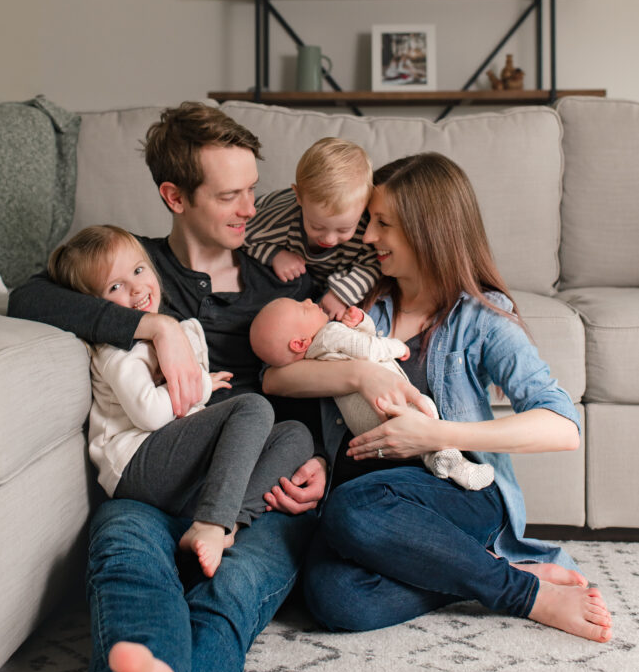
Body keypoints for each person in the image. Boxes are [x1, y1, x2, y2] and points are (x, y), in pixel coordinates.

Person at [9, 102, 328, 672]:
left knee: (232, 593)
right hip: (155, 474)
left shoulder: (285, 279)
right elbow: (28, 295)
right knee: (125, 558)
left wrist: (322, 463)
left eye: (253, 187)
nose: (251, 208)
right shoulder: (134, 268)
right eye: (228, 195)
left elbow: (321, 375)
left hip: (252, 490)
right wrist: (151, 324)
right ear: (174, 197)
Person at [262, 153, 614, 645]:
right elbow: (277, 379)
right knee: (332, 597)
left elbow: (562, 427)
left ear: (427, 231)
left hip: (459, 490)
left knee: (353, 507)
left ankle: (523, 594)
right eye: (370, 222)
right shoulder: (359, 304)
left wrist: (434, 434)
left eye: (383, 224)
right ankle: (488, 569)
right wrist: (359, 380)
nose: (367, 238)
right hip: (371, 496)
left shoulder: (482, 318)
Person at [48, 224, 314, 577]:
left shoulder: (179, 330)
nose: (137, 288)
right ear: (96, 306)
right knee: (252, 407)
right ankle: (212, 520)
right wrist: (203, 387)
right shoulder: (118, 350)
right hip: (138, 464)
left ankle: (229, 523)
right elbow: (152, 414)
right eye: (115, 287)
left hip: (180, 469)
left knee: (296, 435)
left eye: (139, 271)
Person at [250, 296, 494, 490]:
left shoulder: (315, 355)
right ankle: (461, 468)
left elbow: (354, 342)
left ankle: (439, 461)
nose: (308, 301)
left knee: (421, 440)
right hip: (381, 404)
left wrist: (361, 323)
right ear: (299, 343)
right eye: (303, 309)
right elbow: (366, 348)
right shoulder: (328, 334)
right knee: (426, 410)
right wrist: (396, 346)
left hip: (363, 423)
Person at [242, 136, 381, 320]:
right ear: (299, 197)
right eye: (317, 226)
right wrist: (275, 254)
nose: (329, 239)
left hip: (326, 278)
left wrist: (341, 294)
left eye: (343, 230)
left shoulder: (364, 227)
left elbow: (373, 264)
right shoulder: (283, 218)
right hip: (277, 245)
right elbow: (243, 234)